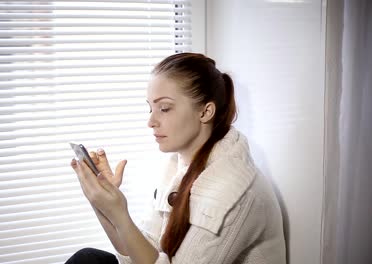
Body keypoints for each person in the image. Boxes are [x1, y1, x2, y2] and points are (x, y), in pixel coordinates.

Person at [68, 52, 286, 264]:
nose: (151, 121)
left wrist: (119, 212)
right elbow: (144, 251)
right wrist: (102, 202)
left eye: (164, 108)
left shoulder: (234, 193)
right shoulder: (178, 165)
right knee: (88, 258)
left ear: (205, 112)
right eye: (150, 108)